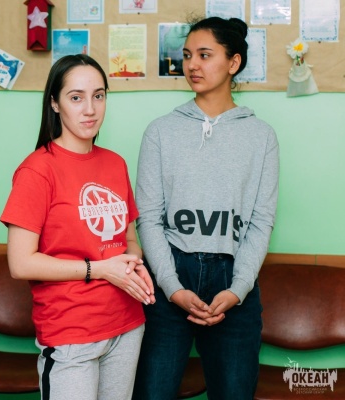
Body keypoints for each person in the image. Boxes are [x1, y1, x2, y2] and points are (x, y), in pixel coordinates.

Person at [132, 17, 279, 400]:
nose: (192, 65)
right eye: (187, 56)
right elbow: (148, 217)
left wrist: (238, 289)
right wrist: (171, 287)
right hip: (168, 275)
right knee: (153, 391)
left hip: (233, 278)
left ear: (233, 62)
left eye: (204, 55)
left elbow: (261, 221)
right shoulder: (161, 131)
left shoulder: (261, 136)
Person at [1, 54, 156, 400]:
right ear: (55, 103)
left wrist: (131, 264)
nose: (90, 109)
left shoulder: (114, 163)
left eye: (98, 96)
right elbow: (20, 263)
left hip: (126, 324)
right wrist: (101, 269)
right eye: (76, 97)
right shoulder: (37, 171)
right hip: (71, 331)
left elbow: (130, 239)